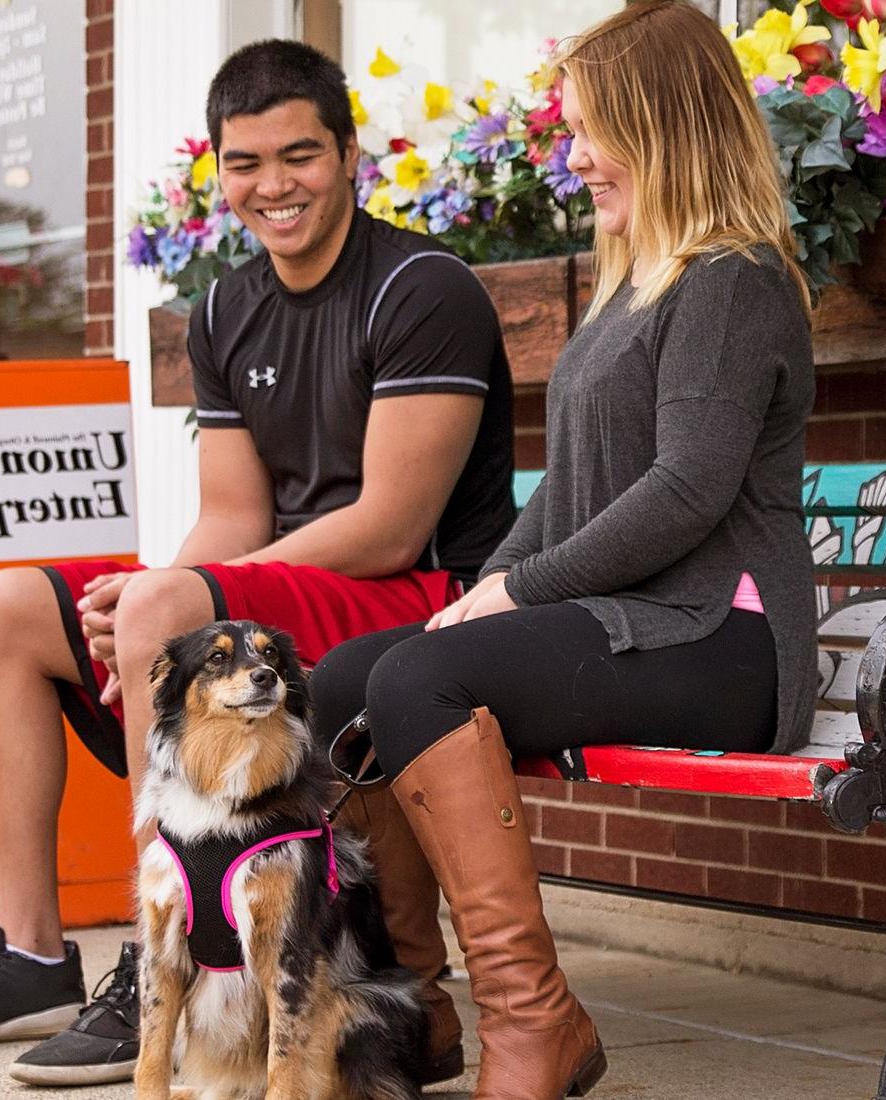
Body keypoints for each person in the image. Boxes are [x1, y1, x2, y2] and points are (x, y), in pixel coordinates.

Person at [0, 39, 514, 1089]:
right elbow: (230, 513)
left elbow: (393, 524)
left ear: (349, 155)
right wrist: (145, 605)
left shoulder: (421, 288)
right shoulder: (223, 307)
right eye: (245, 163)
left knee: (170, 596)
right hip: (277, 587)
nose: (273, 185)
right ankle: (29, 950)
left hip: (417, 599)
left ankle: (159, 950)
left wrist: (188, 603)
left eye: (298, 155)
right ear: (217, 168)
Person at [307, 2, 820, 1096]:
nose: (574, 155)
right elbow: (573, 489)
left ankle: (537, 1022)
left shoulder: (731, 280)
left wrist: (520, 591)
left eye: (592, 129)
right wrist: (494, 584)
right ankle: (411, 1008)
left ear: (665, 124)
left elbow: (685, 490)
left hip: (722, 633)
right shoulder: (637, 277)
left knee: (421, 675)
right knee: (351, 679)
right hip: (640, 617)